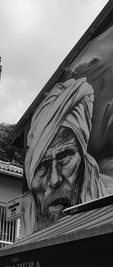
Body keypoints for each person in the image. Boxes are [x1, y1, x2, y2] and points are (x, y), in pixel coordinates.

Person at [22, 78, 113, 236]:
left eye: (64, 157)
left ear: (83, 158)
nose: (55, 180)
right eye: (42, 166)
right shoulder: (25, 212)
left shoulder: (108, 194)